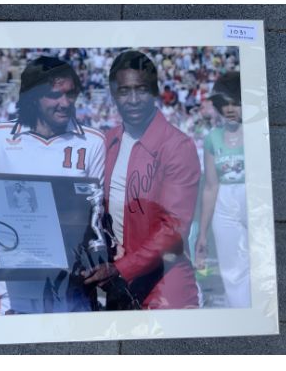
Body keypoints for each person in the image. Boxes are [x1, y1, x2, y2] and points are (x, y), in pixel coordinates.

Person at [0, 56, 105, 315]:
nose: (65, 103)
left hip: (71, 284)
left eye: (70, 94)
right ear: (32, 96)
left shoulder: (94, 142)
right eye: (54, 95)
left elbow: (97, 213)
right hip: (13, 286)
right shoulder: (0, 138)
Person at [83, 50, 201, 310]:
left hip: (165, 291)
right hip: (117, 288)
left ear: (155, 91)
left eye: (142, 90)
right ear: (114, 94)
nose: (133, 99)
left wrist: (119, 269)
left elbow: (173, 229)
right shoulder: (106, 142)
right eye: (124, 91)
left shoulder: (178, 146)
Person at [194, 72, 250, 308]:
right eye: (223, 103)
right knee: (232, 269)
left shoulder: (255, 134)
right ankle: (243, 316)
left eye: (235, 102)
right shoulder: (212, 139)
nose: (229, 109)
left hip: (250, 195)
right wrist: (203, 234)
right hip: (223, 203)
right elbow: (210, 186)